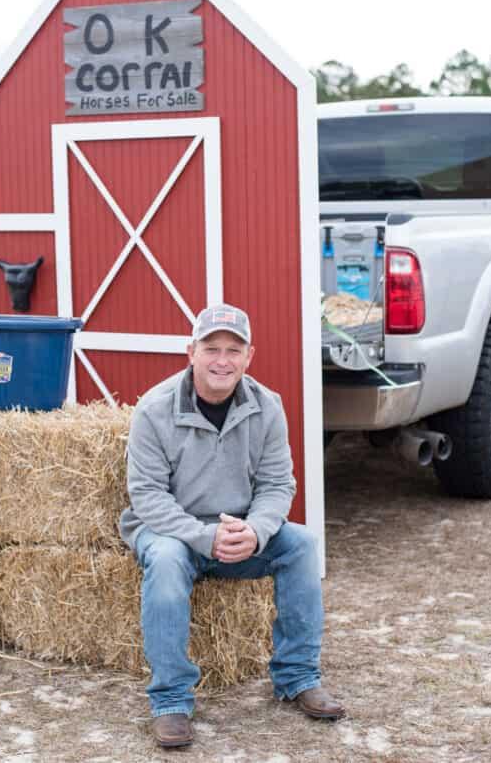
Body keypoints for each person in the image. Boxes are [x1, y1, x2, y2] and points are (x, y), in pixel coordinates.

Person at [119, 303, 345, 748]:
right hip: (172, 532)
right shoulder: (154, 409)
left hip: (238, 531)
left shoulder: (267, 406)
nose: (221, 360)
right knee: (164, 560)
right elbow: (146, 495)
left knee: (301, 544)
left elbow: (279, 483)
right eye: (211, 348)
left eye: (233, 350)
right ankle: (171, 701)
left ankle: (298, 676)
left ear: (249, 357)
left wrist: (256, 531)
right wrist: (204, 536)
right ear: (191, 352)